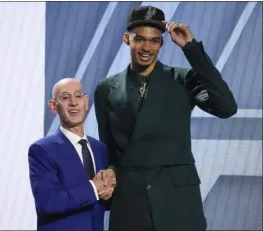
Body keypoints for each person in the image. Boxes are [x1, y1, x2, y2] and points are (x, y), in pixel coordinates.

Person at [94, 6, 237, 231]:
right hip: (131, 203)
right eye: (139, 39)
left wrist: (192, 50)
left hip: (177, 202)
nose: (147, 48)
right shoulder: (105, 89)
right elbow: (108, 149)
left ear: (161, 43)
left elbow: (226, 108)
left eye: (154, 41)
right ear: (126, 39)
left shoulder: (183, 79)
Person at [28, 78, 114, 230]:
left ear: (86, 102)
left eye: (79, 96)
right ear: (53, 106)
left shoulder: (100, 149)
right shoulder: (41, 150)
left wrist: (110, 189)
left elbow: (103, 202)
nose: (74, 103)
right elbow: (48, 203)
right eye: (65, 97)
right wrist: (94, 187)